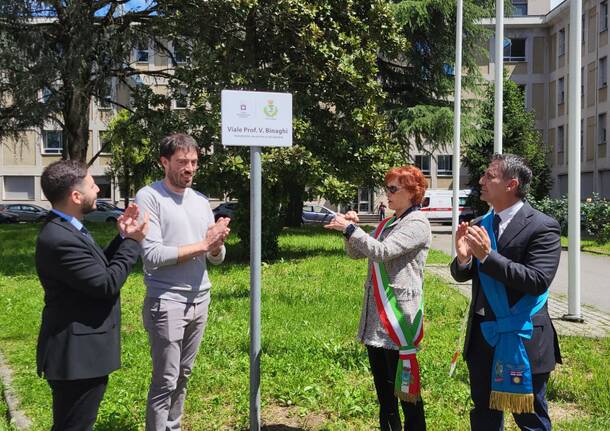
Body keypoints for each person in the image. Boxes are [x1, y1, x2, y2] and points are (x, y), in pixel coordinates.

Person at [450, 154, 562, 431]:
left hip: (523, 337)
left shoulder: (542, 226)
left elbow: (537, 280)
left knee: (530, 418)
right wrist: (464, 259)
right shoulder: (480, 223)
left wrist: (488, 257)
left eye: (490, 176)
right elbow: (463, 273)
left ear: (511, 184)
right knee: (484, 414)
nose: (481, 181)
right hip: (483, 337)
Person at [35, 160, 149, 431]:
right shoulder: (59, 238)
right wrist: (133, 243)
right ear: (76, 196)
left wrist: (122, 238)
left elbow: (95, 268)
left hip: (84, 355)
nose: (97, 189)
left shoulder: (68, 228)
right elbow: (106, 283)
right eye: (91, 185)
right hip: (76, 358)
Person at [135, 133, 231, 431]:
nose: (189, 168)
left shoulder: (201, 201)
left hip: (200, 299)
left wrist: (216, 245)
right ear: (164, 162)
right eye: (182, 162)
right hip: (167, 301)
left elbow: (216, 258)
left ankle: (173, 427)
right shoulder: (149, 197)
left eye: (194, 162)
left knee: (184, 374)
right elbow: (152, 255)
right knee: (165, 378)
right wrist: (205, 244)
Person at [325, 166, 431, 431]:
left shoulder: (417, 223)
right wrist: (352, 231)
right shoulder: (389, 222)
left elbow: (383, 252)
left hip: (398, 319)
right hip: (377, 320)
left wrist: (350, 229)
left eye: (393, 189)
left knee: (407, 395)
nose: (388, 194)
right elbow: (359, 254)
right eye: (388, 188)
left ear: (412, 192)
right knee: (384, 396)